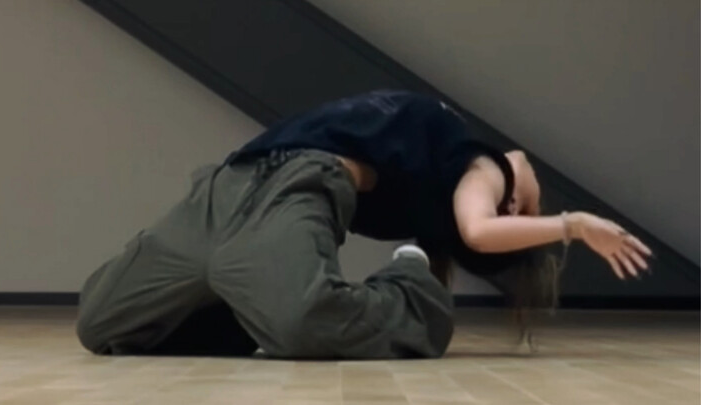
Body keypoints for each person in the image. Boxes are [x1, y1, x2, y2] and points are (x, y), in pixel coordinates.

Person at [76, 90, 652, 359]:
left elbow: (477, 231)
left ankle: (415, 295)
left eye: (527, 212)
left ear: (509, 209)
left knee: (305, 324)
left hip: (296, 187)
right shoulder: (460, 156)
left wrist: (573, 224)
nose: (533, 203)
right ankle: (244, 310)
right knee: (100, 321)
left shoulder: (484, 169)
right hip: (227, 182)